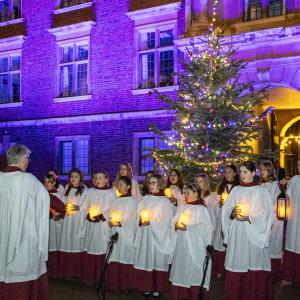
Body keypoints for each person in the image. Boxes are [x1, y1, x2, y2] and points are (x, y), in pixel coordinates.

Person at [0, 144, 50, 300]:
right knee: (24, 266)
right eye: (28, 158)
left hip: (3, 234)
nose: (28, 161)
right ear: (22, 159)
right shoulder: (29, 180)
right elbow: (46, 199)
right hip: (24, 236)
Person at [221, 161, 273, 300]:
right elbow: (226, 209)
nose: (242, 175)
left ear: (252, 173)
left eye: (245, 172)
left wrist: (249, 218)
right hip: (238, 232)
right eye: (241, 172)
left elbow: (266, 214)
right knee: (239, 260)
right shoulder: (236, 190)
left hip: (254, 234)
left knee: (253, 261)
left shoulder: (261, 191)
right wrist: (231, 214)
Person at [132, 174, 173, 298]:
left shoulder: (164, 201)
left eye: (154, 182)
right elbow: (138, 213)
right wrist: (140, 219)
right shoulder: (145, 199)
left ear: (160, 184)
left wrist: (152, 222)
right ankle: (146, 286)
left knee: (156, 260)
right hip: (145, 234)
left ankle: (158, 288)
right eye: (149, 183)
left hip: (157, 236)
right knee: (146, 259)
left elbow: (166, 220)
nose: (151, 185)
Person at [169, 184, 213, 300]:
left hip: (194, 247)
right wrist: (176, 226)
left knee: (193, 271)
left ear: (196, 194)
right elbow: (173, 222)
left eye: (188, 193)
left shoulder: (201, 209)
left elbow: (206, 228)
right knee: (181, 269)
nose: (185, 195)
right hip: (181, 245)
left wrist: (188, 228)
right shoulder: (183, 207)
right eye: (185, 193)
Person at [80, 171, 115, 287]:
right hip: (91, 226)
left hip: (103, 226)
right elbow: (84, 206)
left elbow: (113, 208)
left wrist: (101, 216)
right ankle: (90, 278)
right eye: (96, 178)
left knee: (102, 249)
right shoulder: (90, 192)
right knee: (91, 248)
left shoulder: (111, 193)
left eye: (101, 178)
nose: (98, 180)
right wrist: (89, 216)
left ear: (106, 179)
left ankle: (102, 279)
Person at [106, 176, 138, 292]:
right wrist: (111, 222)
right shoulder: (116, 200)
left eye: (121, 184)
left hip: (126, 234)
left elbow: (134, 219)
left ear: (128, 186)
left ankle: (126, 285)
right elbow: (110, 215)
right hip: (116, 232)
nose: (118, 187)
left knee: (125, 257)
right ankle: (114, 284)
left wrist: (122, 224)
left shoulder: (133, 201)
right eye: (117, 184)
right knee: (115, 256)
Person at [59, 168, 88, 278]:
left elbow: (86, 206)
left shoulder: (84, 190)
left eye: (76, 176)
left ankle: (77, 272)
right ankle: (67, 272)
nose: (73, 179)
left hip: (77, 220)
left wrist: (79, 207)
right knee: (67, 242)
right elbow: (63, 201)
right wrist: (64, 207)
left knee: (76, 244)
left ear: (80, 178)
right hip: (68, 220)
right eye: (71, 176)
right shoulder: (67, 188)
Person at [213, 164, 239, 278]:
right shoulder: (221, 186)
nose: (227, 174)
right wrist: (219, 203)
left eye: (230, 172)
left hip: (233, 219)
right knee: (220, 242)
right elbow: (216, 201)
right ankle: (219, 269)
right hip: (221, 218)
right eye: (226, 172)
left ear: (235, 173)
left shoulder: (238, 187)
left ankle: (230, 268)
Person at [260, 161, 282, 283]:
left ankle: (273, 274)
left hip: (272, 219)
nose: (262, 172)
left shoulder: (273, 185)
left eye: (264, 169)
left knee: (272, 244)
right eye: (261, 169)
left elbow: (274, 202)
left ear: (270, 171)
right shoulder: (261, 185)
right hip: (262, 219)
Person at [281, 159, 300, 287]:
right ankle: (289, 277)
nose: (298, 167)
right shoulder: (295, 180)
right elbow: (287, 196)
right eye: (298, 165)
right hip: (295, 219)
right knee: (292, 244)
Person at [44, 174, 65, 279]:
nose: (47, 184)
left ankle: (56, 271)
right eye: (45, 182)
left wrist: (58, 214)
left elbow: (63, 210)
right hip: (45, 224)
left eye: (50, 182)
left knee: (55, 245)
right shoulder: (42, 194)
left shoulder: (59, 195)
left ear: (54, 183)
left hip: (55, 224)